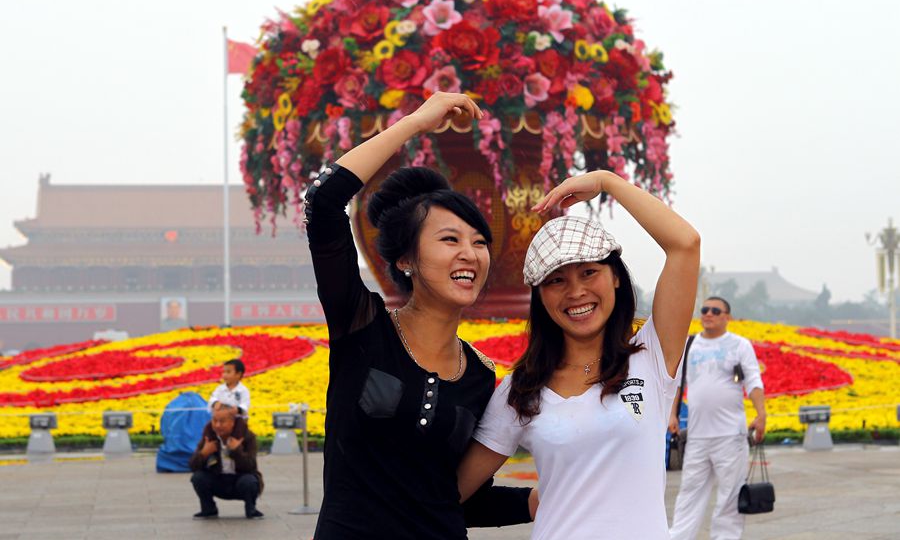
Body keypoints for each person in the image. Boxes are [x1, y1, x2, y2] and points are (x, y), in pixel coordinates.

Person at [305, 92, 534, 539]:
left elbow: (454, 496)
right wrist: (415, 123)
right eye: (450, 240)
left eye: (480, 241)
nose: (470, 253)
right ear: (406, 259)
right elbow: (323, 203)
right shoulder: (362, 327)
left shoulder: (480, 378)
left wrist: (540, 500)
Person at [457, 169, 701, 539]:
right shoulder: (520, 390)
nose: (576, 292)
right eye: (556, 280)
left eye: (589, 273)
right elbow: (450, 493)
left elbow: (685, 243)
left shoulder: (651, 355)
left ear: (616, 277)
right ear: (540, 296)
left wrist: (607, 182)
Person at [668, 296, 766, 540]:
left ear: (727, 317)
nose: (708, 314)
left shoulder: (739, 345)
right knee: (689, 493)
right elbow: (677, 385)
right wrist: (671, 414)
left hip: (730, 435)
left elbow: (753, 380)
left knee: (730, 496)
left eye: (715, 310)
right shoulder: (689, 345)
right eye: (705, 310)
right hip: (699, 435)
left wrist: (761, 413)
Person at [189, 401, 264, 519]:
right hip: (218, 480)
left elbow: (250, 466)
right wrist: (203, 454)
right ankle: (209, 509)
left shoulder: (247, 437)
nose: (217, 425)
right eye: (215, 421)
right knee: (198, 477)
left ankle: (251, 508)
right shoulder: (208, 437)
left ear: (233, 422)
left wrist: (236, 451)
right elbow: (192, 466)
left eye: (222, 421)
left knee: (249, 481)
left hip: (240, 481)